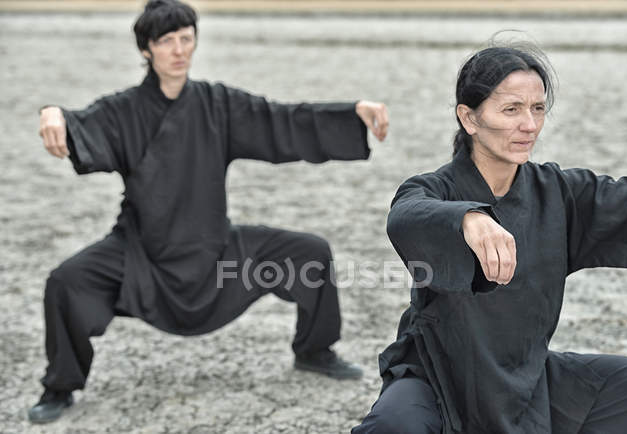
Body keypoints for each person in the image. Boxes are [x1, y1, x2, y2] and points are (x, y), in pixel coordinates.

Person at [29, 0, 389, 424]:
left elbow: (282, 119)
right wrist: (53, 113)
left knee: (311, 252)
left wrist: (351, 113)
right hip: (141, 253)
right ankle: (60, 386)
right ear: (147, 49)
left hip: (217, 252)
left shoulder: (217, 104)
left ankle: (314, 349)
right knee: (66, 282)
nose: (180, 50)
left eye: (187, 39)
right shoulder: (121, 111)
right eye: (167, 41)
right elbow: (81, 124)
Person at [352, 43, 627, 433]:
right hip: (439, 379)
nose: (529, 124)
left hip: (528, 382)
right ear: (470, 118)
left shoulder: (557, 192)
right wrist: (466, 219)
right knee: (393, 426)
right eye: (511, 109)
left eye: (537, 108)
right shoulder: (435, 188)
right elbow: (406, 215)